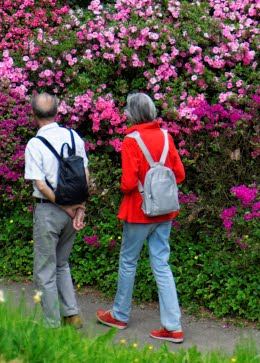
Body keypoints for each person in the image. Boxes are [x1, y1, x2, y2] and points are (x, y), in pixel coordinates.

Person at [96, 92, 186, 343]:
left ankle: (120, 314)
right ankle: (173, 326)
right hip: (165, 211)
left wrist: (139, 186)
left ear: (133, 114)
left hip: (138, 211)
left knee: (128, 262)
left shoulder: (131, 140)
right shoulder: (167, 137)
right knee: (162, 264)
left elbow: (127, 183)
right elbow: (179, 174)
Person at [23, 92, 89, 327]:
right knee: (62, 263)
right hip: (72, 211)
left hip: (48, 211)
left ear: (34, 115)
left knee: (45, 269)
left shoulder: (35, 144)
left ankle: (51, 324)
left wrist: (64, 205)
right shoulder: (73, 137)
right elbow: (84, 174)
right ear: (57, 111)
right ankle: (72, 314)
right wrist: (79, 207)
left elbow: (39, 183)